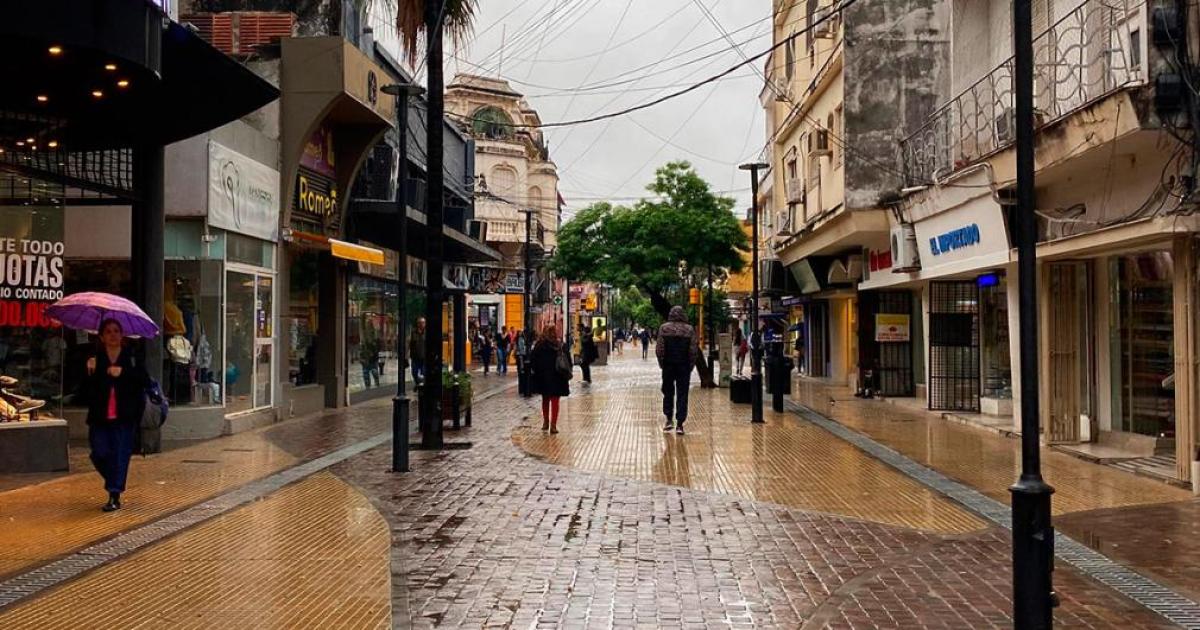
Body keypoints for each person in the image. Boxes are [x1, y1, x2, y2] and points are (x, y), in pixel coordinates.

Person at [85, 318, 149, 512]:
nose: (113, 335)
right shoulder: (95, 358)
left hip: (125, 415)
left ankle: (114, 494)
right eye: (108, 332)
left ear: (122, 336)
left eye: (116, 331)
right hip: (100, 415)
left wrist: (123, 373)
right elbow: (84, 391)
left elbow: (143, 380)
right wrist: (90, 371)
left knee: (120, 454)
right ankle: (114, 479)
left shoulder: (132, 357)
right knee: (99, 452)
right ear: (102, 337)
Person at [657, 305, 699, 435]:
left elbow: (660, 349)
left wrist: (662, 364)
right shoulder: (689, 330)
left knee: (668, 391)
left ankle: (669, 419)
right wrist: (690, 366)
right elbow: (693, 351)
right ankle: (680, 424)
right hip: (683, 366)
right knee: (682, 393)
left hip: (668, 365)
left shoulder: (664, 328)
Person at [529, 325, 571, 434]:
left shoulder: (540, 345)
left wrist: (537, 371)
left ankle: (545, 422)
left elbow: (532, 360)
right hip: (557, 378)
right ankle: (553, 425)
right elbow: (568, 361)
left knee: (545, 400)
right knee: (555, 402)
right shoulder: (560, 345)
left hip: (544, 378)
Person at [409, 317, 426, 385]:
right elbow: (410, 344)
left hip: (424, 357)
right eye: (420, 323)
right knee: (414, 372)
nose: (421, 324)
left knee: (423, 372)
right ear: (417, 324)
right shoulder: (413, 332)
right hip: (415, 357)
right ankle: (417, 383)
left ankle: (422, 386)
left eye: (423, 323)